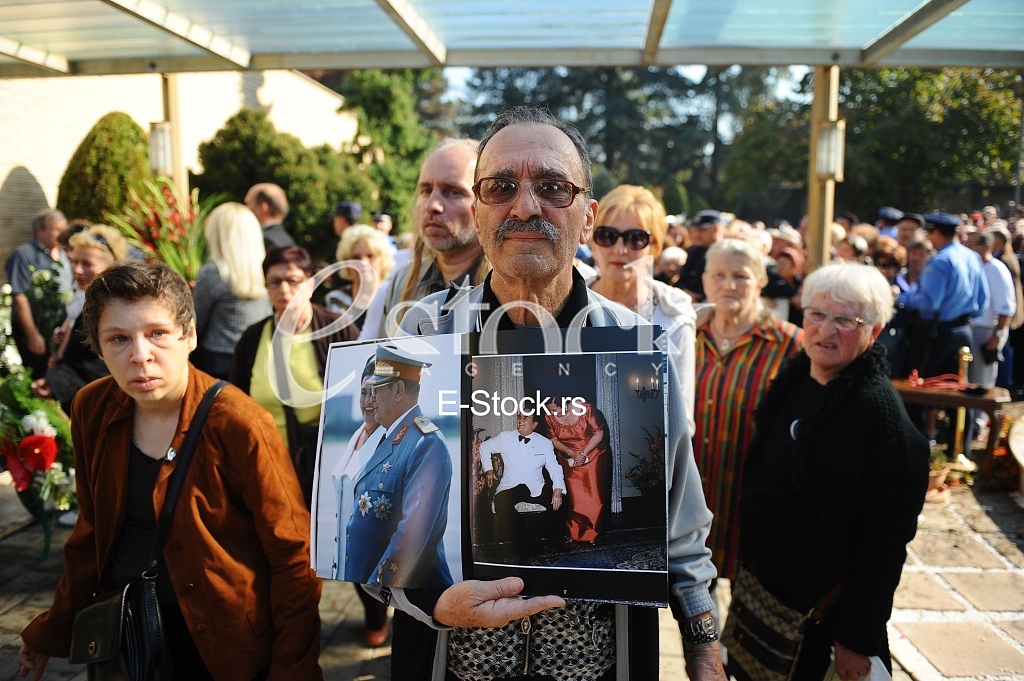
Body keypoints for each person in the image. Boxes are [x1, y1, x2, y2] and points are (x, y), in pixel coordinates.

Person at [392, 106, 725, 681]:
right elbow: (381, 515)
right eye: (501, 187)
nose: (525, 206)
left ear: (588, 216)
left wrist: (701, 641)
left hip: (601, 657)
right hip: (455, 659)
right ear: (478, 209)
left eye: (552, 187)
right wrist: (424, 602)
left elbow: (680, 511)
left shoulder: (635, 343)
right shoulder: (424, 335)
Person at [18, 261, 322, 681]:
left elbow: (294, 555)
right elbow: (91, 531)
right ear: (100, 348)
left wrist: (292, 668)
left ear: (190, 335)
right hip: (126, 633)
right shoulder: (92, 407)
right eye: (119, 338)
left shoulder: (238, 423)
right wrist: (53, 629)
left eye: (157, 333)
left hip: (224, 642)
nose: (140, 355)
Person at [734, 262, 929, 680]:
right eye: (817, 315)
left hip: (821, 626)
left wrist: (858, 639)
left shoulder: (881, 418)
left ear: (873, 332)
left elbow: (884, 545)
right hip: (763, 601)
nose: (825, 330)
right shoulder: (798, 374)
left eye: (844, 320)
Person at [692, 238, 803, 616]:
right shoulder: (686, 335)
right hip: (695, 501)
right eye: (719, 275)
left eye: (740, 276)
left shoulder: (790, 345)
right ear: (705, 280)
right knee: (699, 620)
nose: (729, 285)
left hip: (751, 505)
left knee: (753, 622)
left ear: (759, 282)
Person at [230, 245, 359, 506]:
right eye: (275, 282)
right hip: (267, 464)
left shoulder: (338, 329)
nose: (285, 290)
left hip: (327, 464)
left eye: (293, 280)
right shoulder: (252, 339)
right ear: (266, 287)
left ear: (310, 283)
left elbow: (364, 397)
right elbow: (236, 403)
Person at [344, 342, 454, 590]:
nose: (371, 400)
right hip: (388, 590)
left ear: (398, 390)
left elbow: (410, 537)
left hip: (415, 593)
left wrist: (375, 585)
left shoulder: (427, 444)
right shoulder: (390, 437)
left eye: (377, 390)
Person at [587, 183, 697, 429]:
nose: (619, 249)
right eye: (607, 235)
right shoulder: (566, 300)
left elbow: (681, 422)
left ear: (655, 247)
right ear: (592, 240)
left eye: (636, 238)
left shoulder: (673, 314)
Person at [370, 138, 489, 339]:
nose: (432, 205)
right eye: (426, 191)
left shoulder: (508, 287)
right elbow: (385, 364)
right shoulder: (403, 281)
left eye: (453, 191)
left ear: (486, 201)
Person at [327, 356, 392, 647]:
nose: (368, 400)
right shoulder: (356, 436)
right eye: (364, 392)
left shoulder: (399, 442)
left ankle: (381, 622)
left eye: (377, 393)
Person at [31, 224, 128, 413]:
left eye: (87, 264)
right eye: (74, 262)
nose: (77, 270)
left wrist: (56, 383)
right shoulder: (89, 298)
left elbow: (102, 365)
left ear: (110, 266)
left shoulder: (113, 309)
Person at [896, 212, 988, 381]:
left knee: (926, 388)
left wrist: (899, 298)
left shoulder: (940, 261)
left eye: (929, 233)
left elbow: (929, 303)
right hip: (963, 330)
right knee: (956, 389)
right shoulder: (972, 256)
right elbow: (983, 300)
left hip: (937, 334)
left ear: (936, 233)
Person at [192, 202, 272, 379]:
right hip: (258, 355)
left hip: (219, 360)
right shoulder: (265, 271)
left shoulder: (214, 273)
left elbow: (195, 320)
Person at [478, 411, 565, 559]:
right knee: (502, 503)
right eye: (519, 417)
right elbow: (484, 447)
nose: (520, 420)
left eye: (526, 417)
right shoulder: (505, 437)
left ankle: (555, 541)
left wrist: (557, 489)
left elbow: (554, 467)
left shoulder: (545, 443)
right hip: (510, 486)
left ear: (535, 424)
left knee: (561, 497)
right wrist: (488, 470)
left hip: (535, 487)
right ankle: (523, 545)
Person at [5, 209, 72, 378]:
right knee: (38, 375)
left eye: (65, 229)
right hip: (37, 327)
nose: (62, 234)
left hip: (60, 330)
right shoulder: (24, 255)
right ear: (40, 230)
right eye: (57, 229)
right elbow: (19, 297)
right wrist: (32, 334)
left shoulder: (65, 254)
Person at [543, 399, 609, 545]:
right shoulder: (549, 416)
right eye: (550, 410)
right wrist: (572, 453)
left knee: (594, 495)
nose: (553, 414)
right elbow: (553, 439)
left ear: (566, 404)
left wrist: (583, 453)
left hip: (593, 454)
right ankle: (574, 533)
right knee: (575, 497)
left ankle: (593, 533)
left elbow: (599, 433)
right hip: (569, 457)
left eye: (556, 410)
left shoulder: (586, 408)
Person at [326, 224, 396, 330]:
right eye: (356, 258)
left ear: (383, 261)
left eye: (370, 256)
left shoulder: (395, 297)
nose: (363, 263)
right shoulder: (337, 300)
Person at [678, 209, 725, 302]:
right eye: (695, 230)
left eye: (702, 230)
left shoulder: (727, 254)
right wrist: (686, 293)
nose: (696, 235)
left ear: (716, 229)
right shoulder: (694, 252)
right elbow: (682, 280)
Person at [244, 182, 295, 250]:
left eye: (248, 204)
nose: (245, 209)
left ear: (262, 207)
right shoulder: (289, 241)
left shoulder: (261, 240)